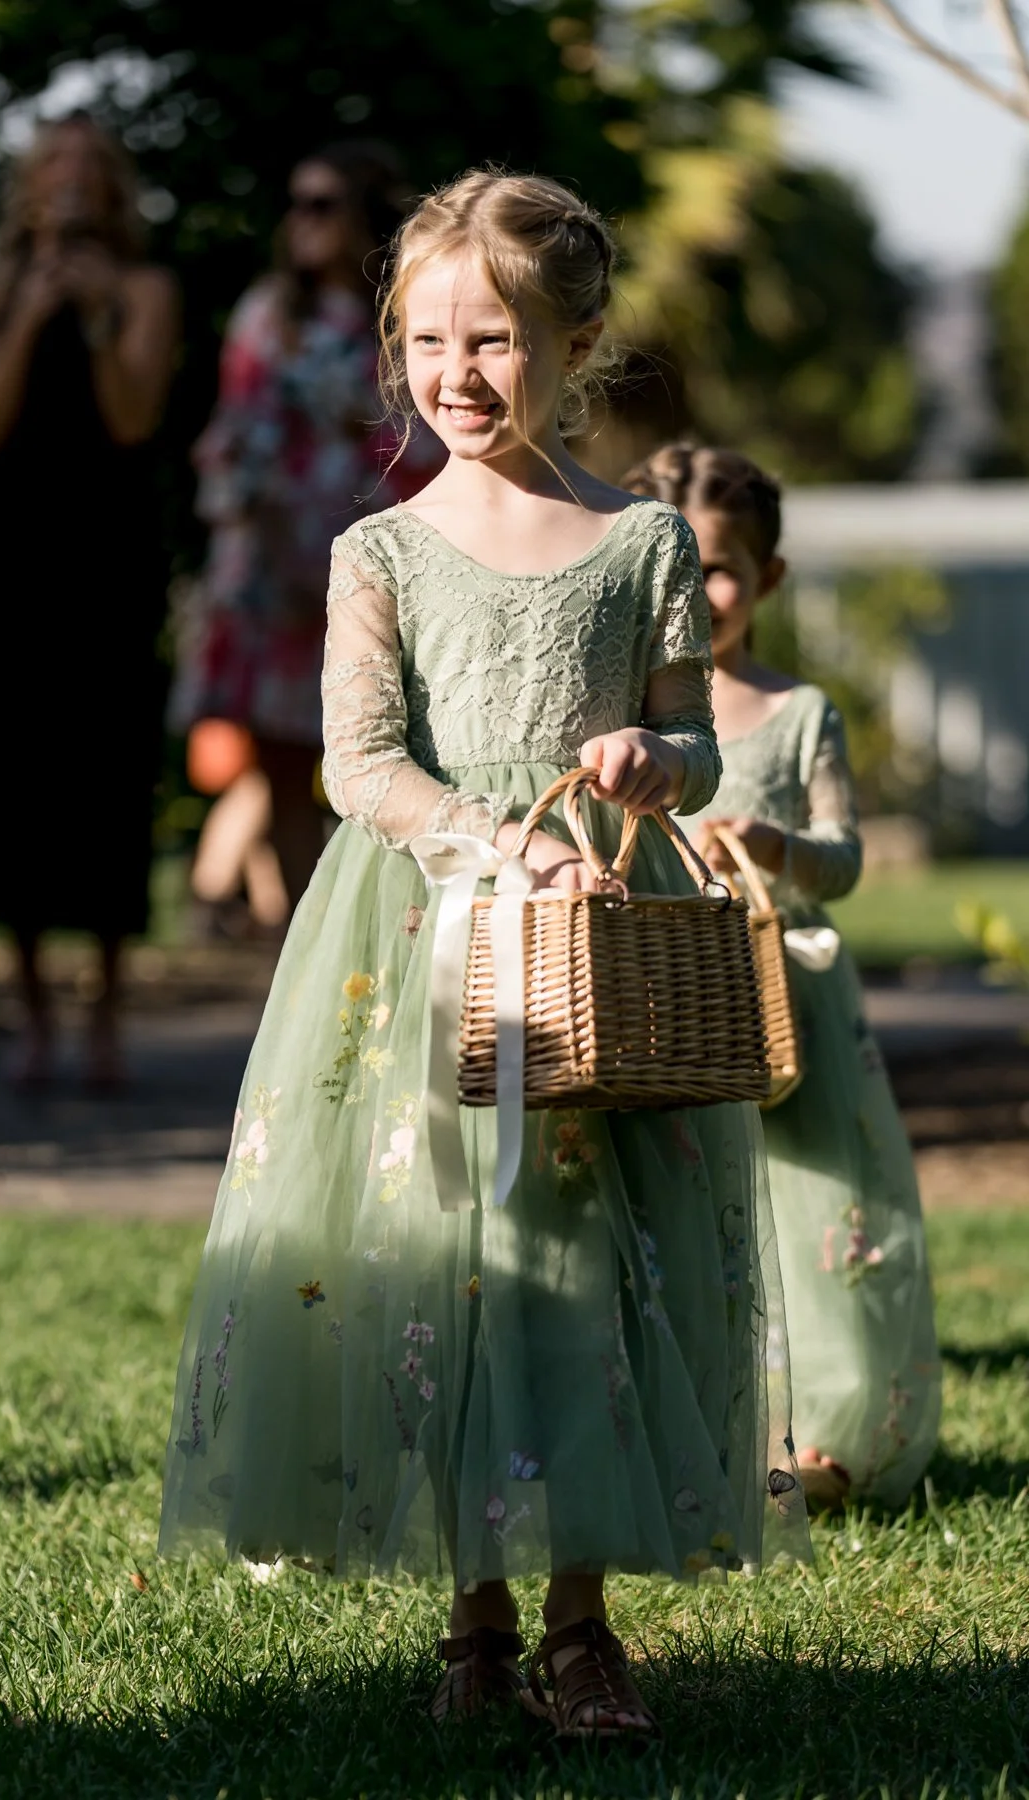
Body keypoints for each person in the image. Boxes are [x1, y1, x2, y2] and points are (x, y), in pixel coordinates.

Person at [159, 172, 809, 1740]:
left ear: (574, 345)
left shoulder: (640, 539)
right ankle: (475, 1621)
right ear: (398, 347)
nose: (459, 371)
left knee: (581, 1268)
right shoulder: (382, 548)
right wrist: (492, 839)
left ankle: (579, 1626)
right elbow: (357, 765)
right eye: (432, 339)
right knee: (450, 1263)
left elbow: (692, 739)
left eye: (498, 340)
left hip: (593, 946)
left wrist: (656, 764)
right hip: (427, 943)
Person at [625, 444, 941, 1511]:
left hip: (786, 993)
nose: (695, 594)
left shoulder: (799, 711)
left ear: (769, 578)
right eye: (673, 570)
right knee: (683, 1204)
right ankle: (701, 1425)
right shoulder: (630, 715)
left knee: (818, 1209)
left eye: (717, 570)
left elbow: (843, 860)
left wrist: (772, 844)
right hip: (668, 993)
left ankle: (828, 1434)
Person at [0, 112, 178, 1091]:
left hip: (109, 555)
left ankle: (107, 1015)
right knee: (13, 770)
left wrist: (94, 317)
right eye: (57, 163)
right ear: (32, 184)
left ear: (114, 187)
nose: (74, 178)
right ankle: (34, 1014)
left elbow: (133, 417)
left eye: (92, 164)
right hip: (10, 555)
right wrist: (32, 307)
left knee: (107, 769)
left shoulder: (145, 289)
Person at [171, 141, 441, 913]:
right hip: (273, 574)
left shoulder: (410, 322)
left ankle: (403, 937)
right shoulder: (269, 315)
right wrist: (271, 560)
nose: (302, 220)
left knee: (400, 755)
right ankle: (304, 949)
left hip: (387, 567)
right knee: (285, 768)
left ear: (368, 217)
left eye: (322, 204)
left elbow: (423, 449)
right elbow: (237, 439)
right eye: (296, 204)